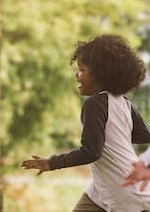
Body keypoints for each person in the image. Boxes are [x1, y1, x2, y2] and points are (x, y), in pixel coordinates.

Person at [21, 34, 150, 211]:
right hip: (103, 189)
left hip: (123, 192)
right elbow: (144, 135)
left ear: (100, 75)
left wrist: (52, 163)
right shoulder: (123, 102)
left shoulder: (94, 104)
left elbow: (91, 152)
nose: (77, 75)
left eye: (82, 70)